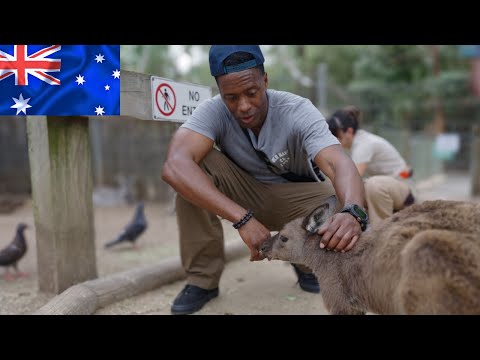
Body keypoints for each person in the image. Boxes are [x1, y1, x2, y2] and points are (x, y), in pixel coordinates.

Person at [161, 45, 367, 315]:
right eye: (231, 97)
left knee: (345, 204)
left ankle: (304, 261)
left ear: (265, 81)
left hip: (297, 199)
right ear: (220, 92)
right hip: (246, 194)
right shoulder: (212, 111)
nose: (243, 106)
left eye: (251, 93)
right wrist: (242, 218)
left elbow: (338, 163)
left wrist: (353, 211)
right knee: (189, 173)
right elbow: (174, 166)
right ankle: (203, 279)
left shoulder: (297, 109)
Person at [326, 105, 416, 226]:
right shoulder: (358, 143)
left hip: (404, 191)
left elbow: (352, 179)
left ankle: (380, 230)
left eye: (338, 136)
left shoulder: (364, 144)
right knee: (350, 190)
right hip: (394, 188)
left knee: (371, 185)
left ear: (349, 131)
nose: (336, 141)